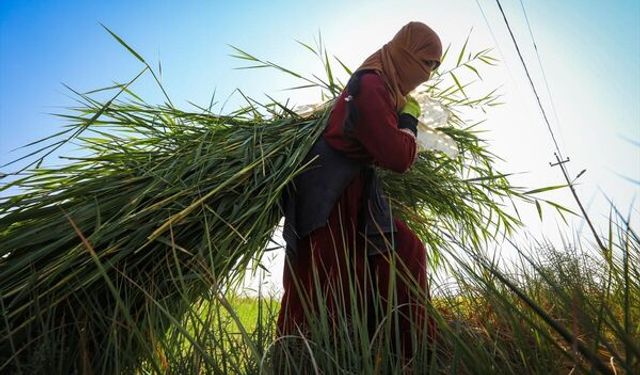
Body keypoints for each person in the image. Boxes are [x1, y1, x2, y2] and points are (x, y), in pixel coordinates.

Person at [277, 21, 443, 367]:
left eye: (435, 67)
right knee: (326, 280)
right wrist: (409, 123)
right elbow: (397, 157)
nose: (427, 74)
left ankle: (408, 357)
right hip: (328, 192)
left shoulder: (386, 89)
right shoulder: (370, 84)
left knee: (404, 251)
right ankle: (304, 362)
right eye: (425, 62)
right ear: (403, 51)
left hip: (356, 191)